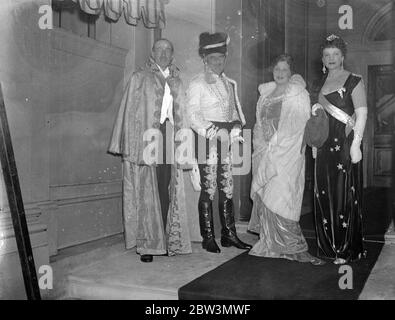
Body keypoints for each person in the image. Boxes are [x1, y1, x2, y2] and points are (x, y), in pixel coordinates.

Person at [108, 39, 192, 262]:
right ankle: (148, 246)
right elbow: (129, 112)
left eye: (168, 50)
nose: (163, 53)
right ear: (152, 52)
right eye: (159, 49)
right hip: (147, 140)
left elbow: (183, 114)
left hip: (169, 138)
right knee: (147, 191)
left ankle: (166, 241)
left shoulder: (177, 81)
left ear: (172, 54)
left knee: (167, 188)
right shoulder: (139, 77)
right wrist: (129, 144)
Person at [248, 54, 325, 265]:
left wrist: (277, 146)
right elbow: (258, 125)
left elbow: (298, 125)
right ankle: (270, 243)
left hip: (288, 154)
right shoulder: (264, 95)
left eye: (284, 69)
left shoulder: (298, 94)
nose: (280, 73)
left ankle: (293, 247)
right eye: (277, 70)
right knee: (269, 197)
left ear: (291, 72)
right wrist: (261, 147)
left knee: (284, 198)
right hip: (265, 153)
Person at [186, 32, 252, 253]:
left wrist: (234, 126)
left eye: (221, 58)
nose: (218, 62)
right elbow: (193, 115)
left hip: (226, 138)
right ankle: (207, 237)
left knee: (227, 187)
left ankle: (229, 234)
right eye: (213, 58)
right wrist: (213, 132)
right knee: (209, 188)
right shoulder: (197, 83)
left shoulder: (229, 83)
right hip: (206, 138)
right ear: (205, 59)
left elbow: (234, 112)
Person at [311, 34, 368, 264]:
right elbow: (317, 115)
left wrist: (356, 144)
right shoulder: (319, 84)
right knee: (322, 194)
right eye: (327, 55)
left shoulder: (354, 80)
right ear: (322, 59)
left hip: (344, 145)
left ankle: (344, 249)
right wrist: (314, 143)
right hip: (323, 147)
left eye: (335, 54)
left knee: (342, 194)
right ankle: (327, 247)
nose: (331, 58)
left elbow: (362, 113)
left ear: (342, 56)